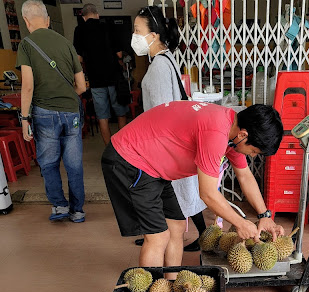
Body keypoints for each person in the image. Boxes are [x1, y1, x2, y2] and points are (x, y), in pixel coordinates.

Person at [101, 102, 284, 270]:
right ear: (243, 135)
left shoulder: (231, 131)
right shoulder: (216, 132)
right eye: (253, 151)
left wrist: (264, 215)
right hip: (130, 160)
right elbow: (208, 194)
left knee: (177, 225)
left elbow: (244, 176)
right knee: (158, 237)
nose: (252, 156)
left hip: (153, 167)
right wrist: (240, 223)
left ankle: (171, 284)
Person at [132, 5, 206, 252]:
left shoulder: (160, 66)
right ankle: (162, 234)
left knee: (171, 195)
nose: (134, 36)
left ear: (153, 35)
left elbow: (163, 113)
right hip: (166, 144)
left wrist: (156, 150)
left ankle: (159, 237)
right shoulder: (164, 59)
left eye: (137, 30)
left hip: (163, 144)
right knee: (179, 194)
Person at [17, 0, 87, 223]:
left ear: (26, 21)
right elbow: (82, 87)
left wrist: (25, 118)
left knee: (49, 163)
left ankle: (60, 206)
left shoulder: (26, 44)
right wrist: (67, 98)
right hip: (71, 112)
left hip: (44, 113)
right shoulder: (66, 43)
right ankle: (78, 211)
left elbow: (27, 85)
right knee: (74, 165)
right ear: (47, 20)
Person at [74, 3, 129, 145]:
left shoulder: (79, 30)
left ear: (84, 17)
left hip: (95, 80)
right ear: (97, 15)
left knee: (102, 116)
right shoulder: (109, 27)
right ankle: (122, 149)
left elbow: (78, 59)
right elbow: (118, 53)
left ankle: (109, 150)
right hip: (114, 77)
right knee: (120, 112)